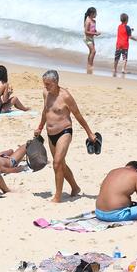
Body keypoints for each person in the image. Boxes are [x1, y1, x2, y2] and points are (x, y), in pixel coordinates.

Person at [35, 70, 97, 203]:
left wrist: (89, 133)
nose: (46, 87)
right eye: (44, 84)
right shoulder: (46, 93)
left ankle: (57, 197)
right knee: (61, 164)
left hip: (64, 131)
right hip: (50, 133)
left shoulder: (66, 96)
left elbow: (78, 115)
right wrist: (40, 127)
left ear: (56, 82)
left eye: (48, 84)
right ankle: (75, 187)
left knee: (56, 163)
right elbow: (45, 111)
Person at [83, 7, 100, 74]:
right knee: (93, 51)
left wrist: (96, 32)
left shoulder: (93, 21)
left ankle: (89, 64)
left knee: (91, 51)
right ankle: (90, 65)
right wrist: (95, 33)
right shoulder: (88, 21)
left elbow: (92, 29)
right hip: (87, 38)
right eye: (95, 13)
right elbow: (86, 32)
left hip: (91, 38)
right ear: (91, 14)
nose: (96, 14)